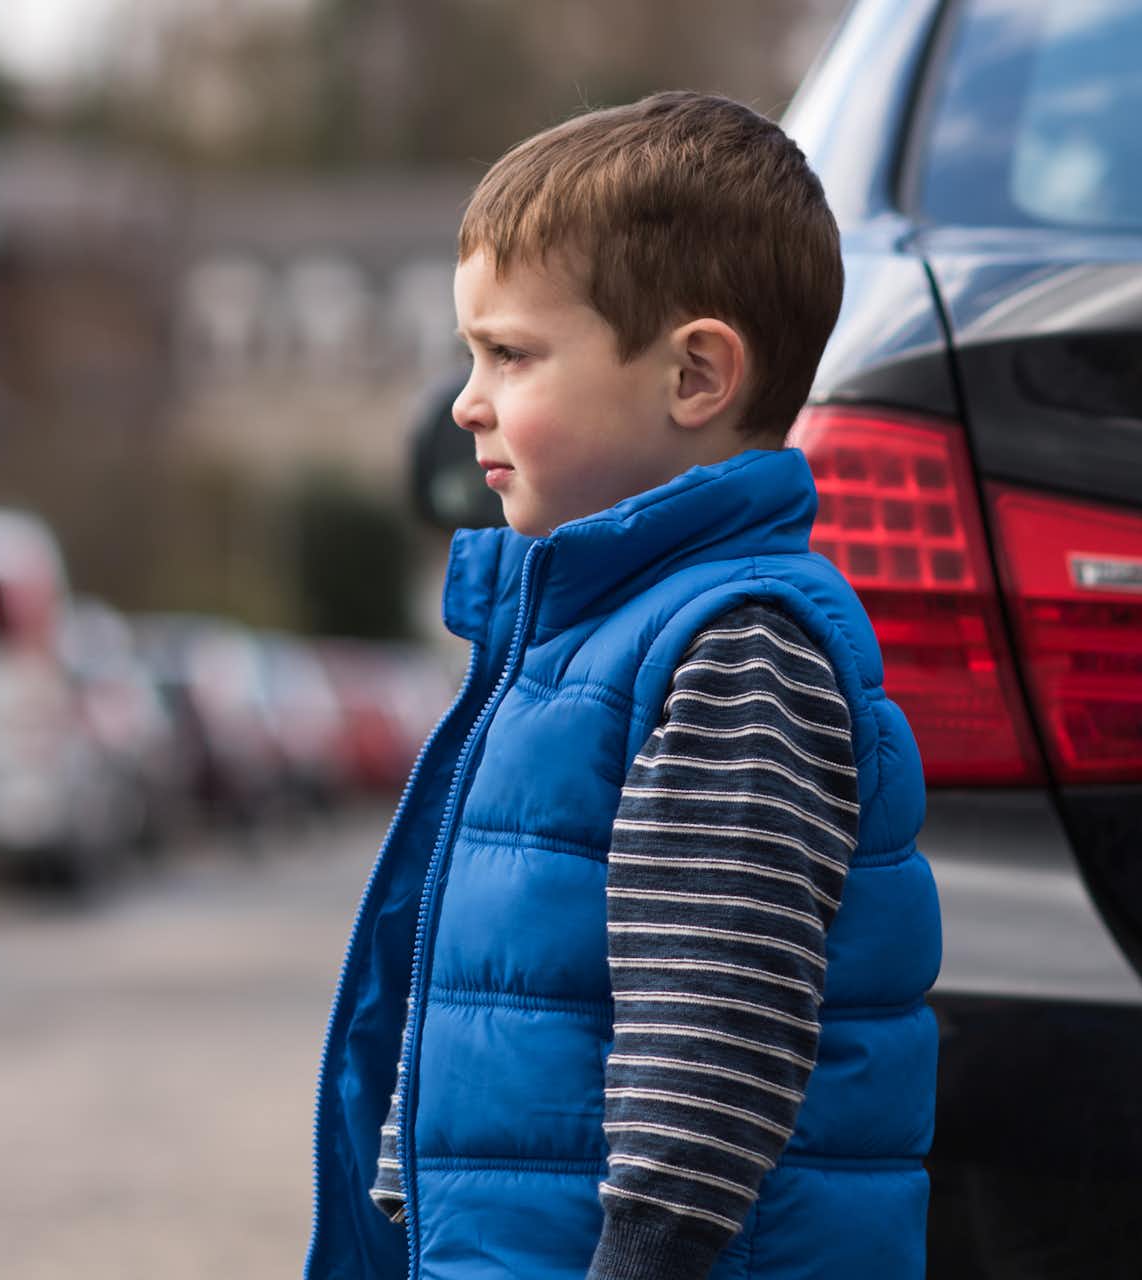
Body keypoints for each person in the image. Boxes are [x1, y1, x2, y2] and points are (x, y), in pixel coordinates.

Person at [304, 91, 940, 1280]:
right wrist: (404, 1188)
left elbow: (713, 1036)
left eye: (511, 353)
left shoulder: (734, 651)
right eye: (470, 353)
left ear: (695, 373)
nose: (466, 400)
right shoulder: (571, 642)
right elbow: (493, 975)